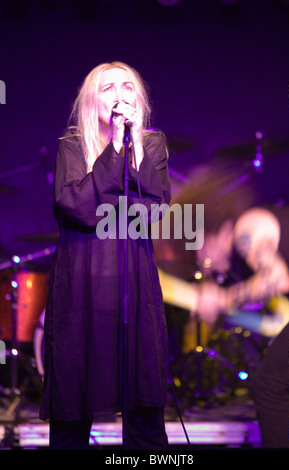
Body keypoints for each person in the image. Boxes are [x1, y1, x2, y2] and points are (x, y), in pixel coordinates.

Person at [39, 61, 171, 450]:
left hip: (133, 285)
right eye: (107, 88)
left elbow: (153, 210)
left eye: (127, 87)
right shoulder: (72, 145)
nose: (118, 95)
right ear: (91, 100)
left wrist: (107, 186)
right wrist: (114, 149)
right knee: (72, 407)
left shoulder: (153, 144)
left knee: (145, 411)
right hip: (81, 287)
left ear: (138, 99)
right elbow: (75, 206)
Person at [156, 162, 289, 448]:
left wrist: (222, 299)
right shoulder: (250, 241)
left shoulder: (248, 228)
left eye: (199, 247)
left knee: (269, 386)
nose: (201, 261)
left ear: (214, 228)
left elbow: (277, 278)